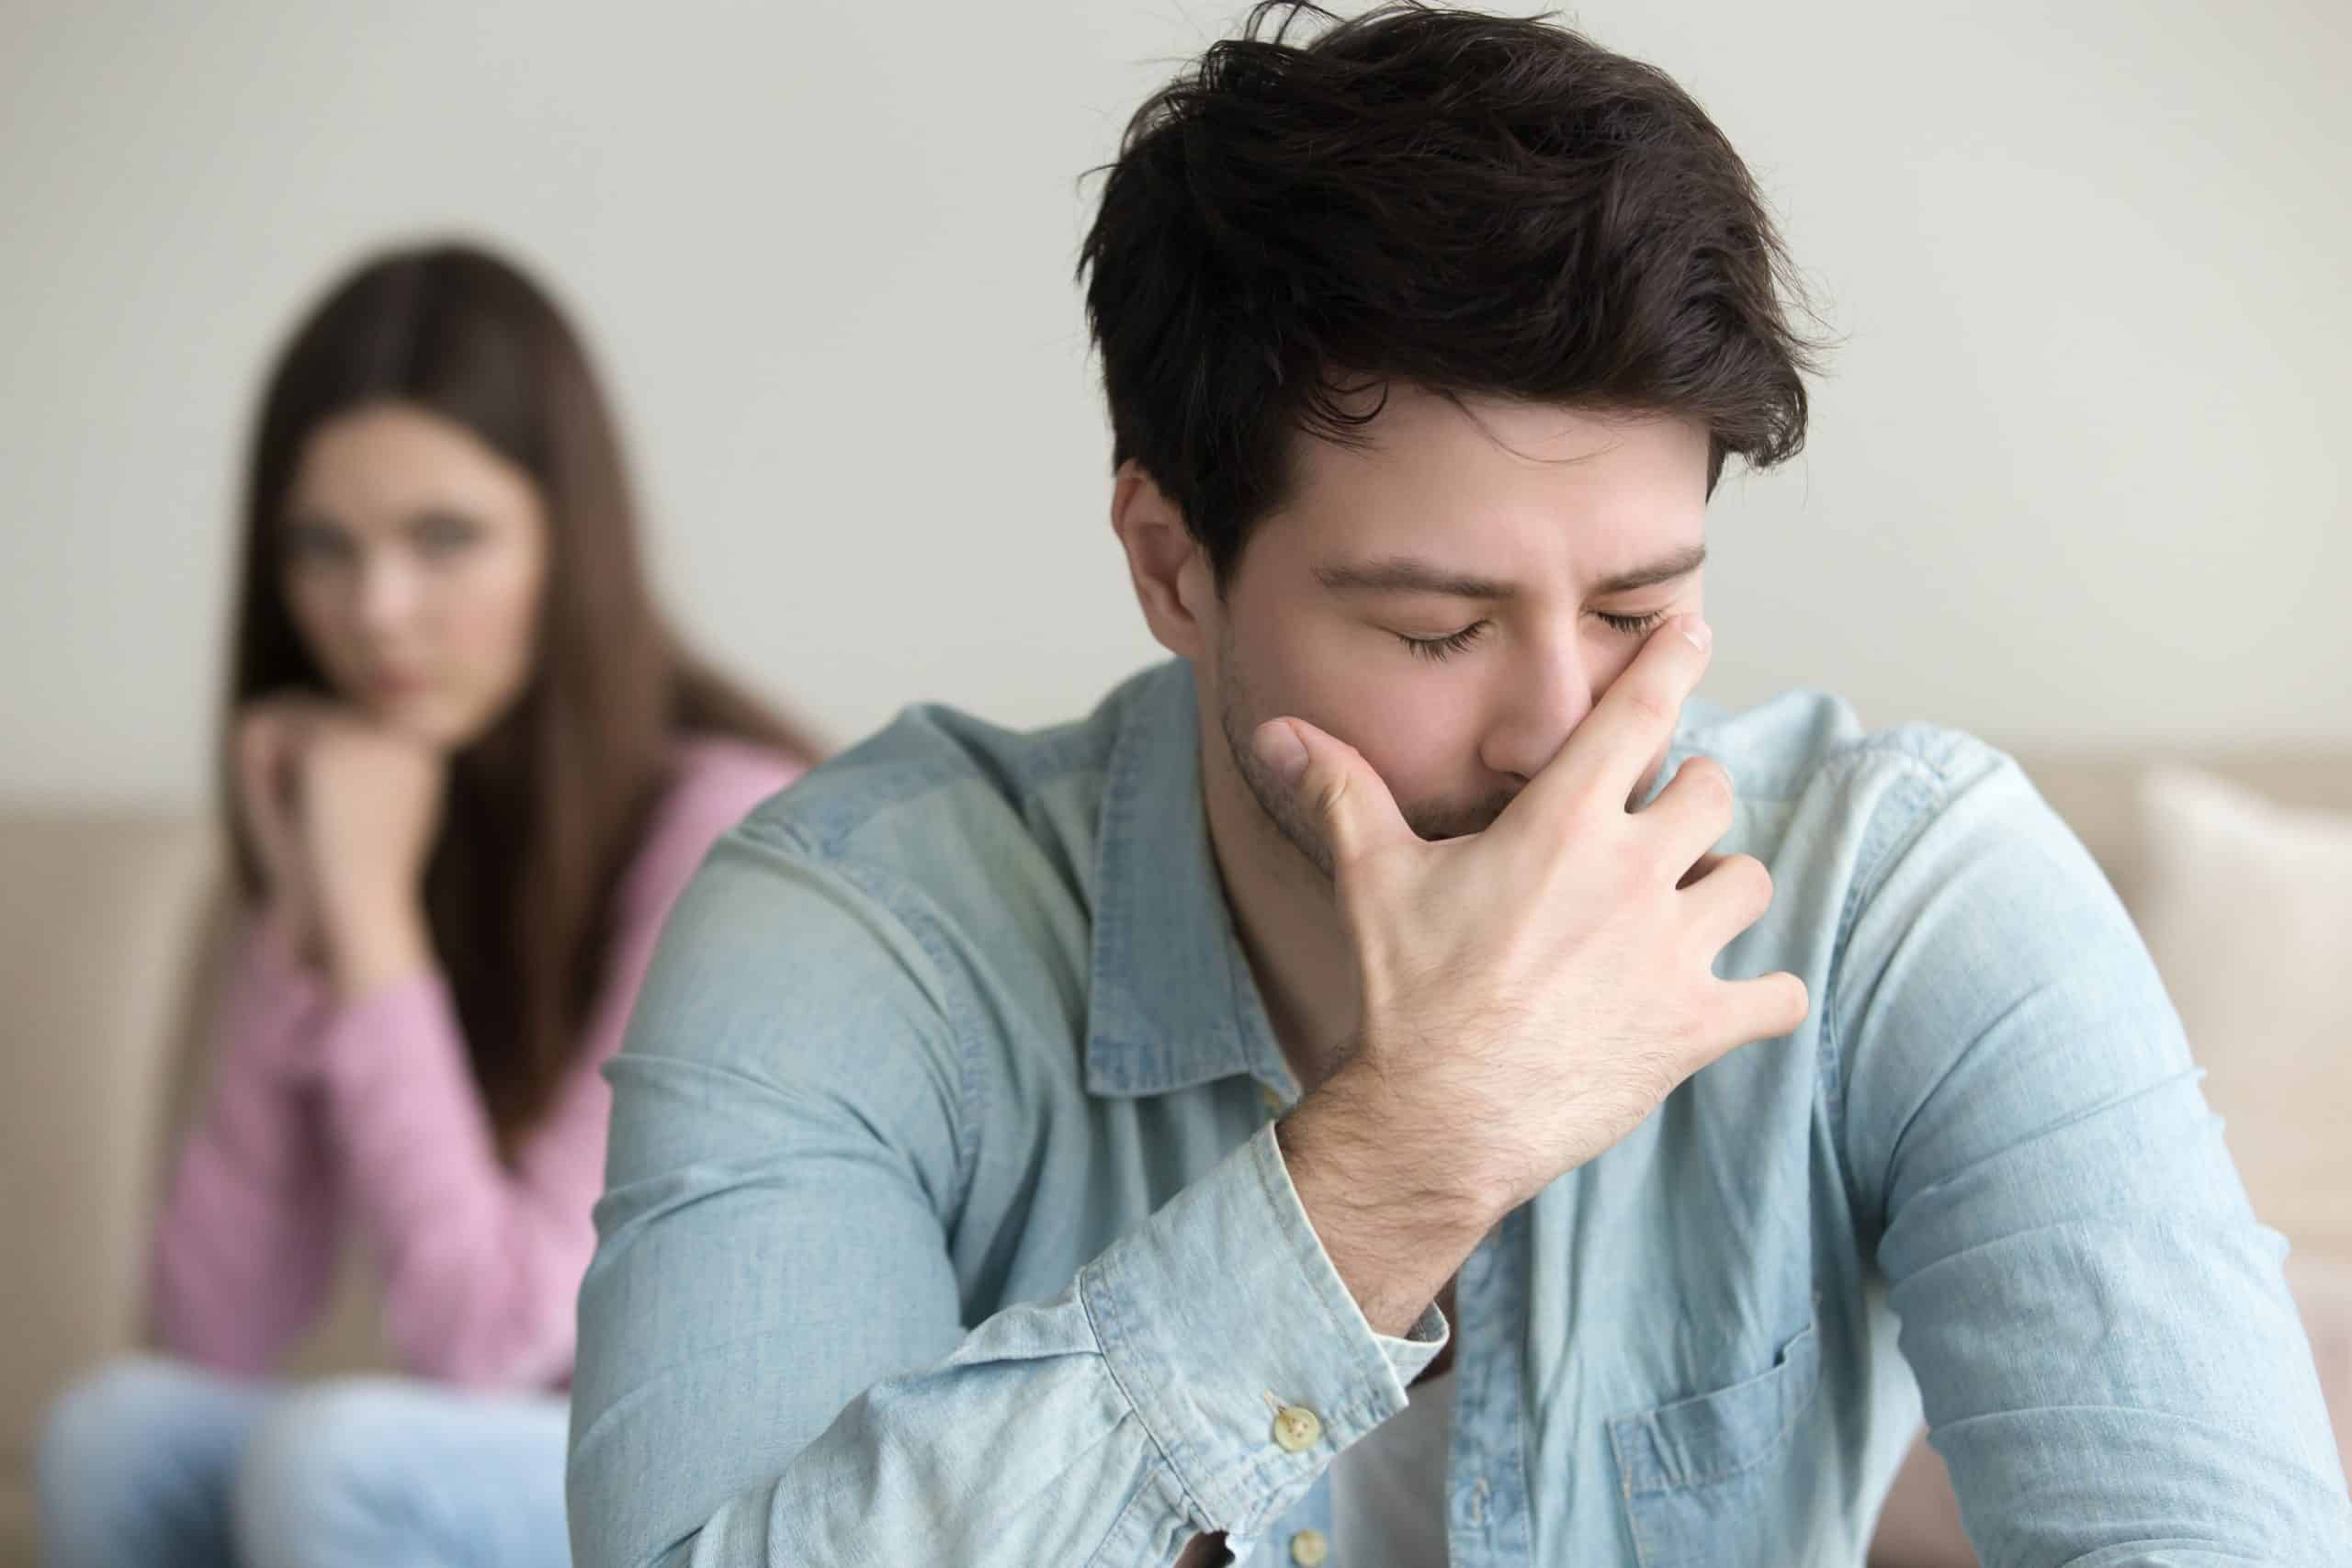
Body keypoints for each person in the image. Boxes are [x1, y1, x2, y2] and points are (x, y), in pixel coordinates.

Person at [564, 6, 2352, 1565]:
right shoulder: (861, 931)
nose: (1562, 729)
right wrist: (1401, 1160)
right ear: (1173, 564)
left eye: (1636, 609)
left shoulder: (1900, 899)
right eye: (1436, 627)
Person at [35, 242, 817, 1568]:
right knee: (113, 1432)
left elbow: (493, 1341)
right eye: (322, 548)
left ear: (567, 540)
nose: (376, 611)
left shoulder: (729, 828)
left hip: (768, 1481)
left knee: (338, 1465)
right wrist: (305, 914)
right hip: (545, 1465)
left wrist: (370, 923)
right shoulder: (398, 809)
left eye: (444, 539)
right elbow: (213, 1334)